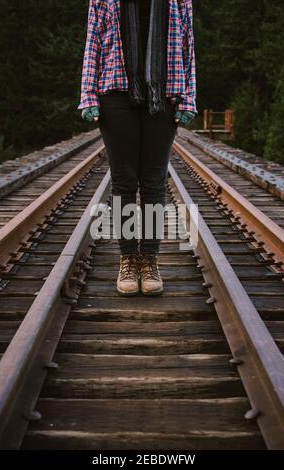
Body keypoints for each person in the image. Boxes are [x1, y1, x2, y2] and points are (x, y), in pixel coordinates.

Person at [78, 0, 197, 296]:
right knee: (124, 181)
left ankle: (151, 259)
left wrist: (189, 97)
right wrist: (88, 95)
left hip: (165, 92)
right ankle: (129, 257)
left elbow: (187, 47)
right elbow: (92, 44)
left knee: (154, 181)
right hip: (115, 92)